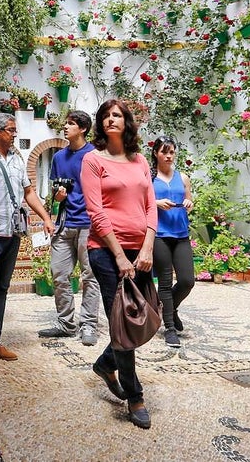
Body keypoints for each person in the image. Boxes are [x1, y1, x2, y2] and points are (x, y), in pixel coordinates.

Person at [81, 99, 156, 430]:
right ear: (101, 124)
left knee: (143, 318)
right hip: (106, 252)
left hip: (141, 251)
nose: (111, 119)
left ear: (126, 122)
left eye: (117, 115)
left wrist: (147, 248)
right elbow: (96, 212)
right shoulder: (92, 160)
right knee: (124, 324)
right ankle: (134, 396)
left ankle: (105, 363)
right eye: (106, 116)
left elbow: (151, 205)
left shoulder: (139, 160)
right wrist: (120, 256)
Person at [0, 113, 55, 370]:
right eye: (10, 129)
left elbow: (28, 192)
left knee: (2, 287)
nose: (14, 133)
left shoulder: (17, 159)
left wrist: (46, 217)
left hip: (12, 233)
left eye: (15, 129)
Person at [36, 110, 101, 346]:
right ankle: (66, 323)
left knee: (90, 277)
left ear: (83, 129)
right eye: (66, 123)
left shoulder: (94, 155)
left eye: (71, 124)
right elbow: (55, 192)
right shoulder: (59, 158)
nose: (65, 127)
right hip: (64, 224)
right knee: (59, 275)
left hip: (90, 225)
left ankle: (89, 325)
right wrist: (58, 196)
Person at [149, 136, 194, 350]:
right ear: (156, 153)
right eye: (164, 152)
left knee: (187, 281)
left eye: (171, 152)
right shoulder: (149, 178)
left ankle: (171, 308)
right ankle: (169, 329)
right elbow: (141, 203)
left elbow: (190, 201)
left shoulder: (183, 177)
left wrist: (188, 203)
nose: (168, 156)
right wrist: (156, 203)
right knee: (165, 283)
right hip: (159, 234)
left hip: (181, 234)